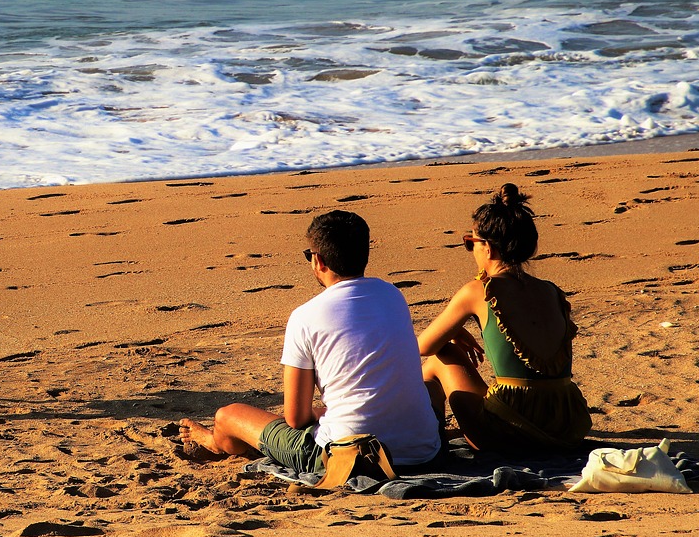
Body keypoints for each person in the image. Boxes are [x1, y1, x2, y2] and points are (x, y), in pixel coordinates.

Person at [178, 210, 442, 474]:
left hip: (347, 457)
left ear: (318, 261)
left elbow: (296, 418)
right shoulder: (393, 295)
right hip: (423, 451)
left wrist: (321, 413)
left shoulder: (305, 316)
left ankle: (215, 441)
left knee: (228, 416)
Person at [418, 183, 590, 452]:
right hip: (566, 424)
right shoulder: (551, 291)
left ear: (487, 248)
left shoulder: (478, 291)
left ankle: (429, 439)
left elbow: (423, 346)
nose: (471, 249)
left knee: (442, 357)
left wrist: (452, 333)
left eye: (470, 242)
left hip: (510, 433)